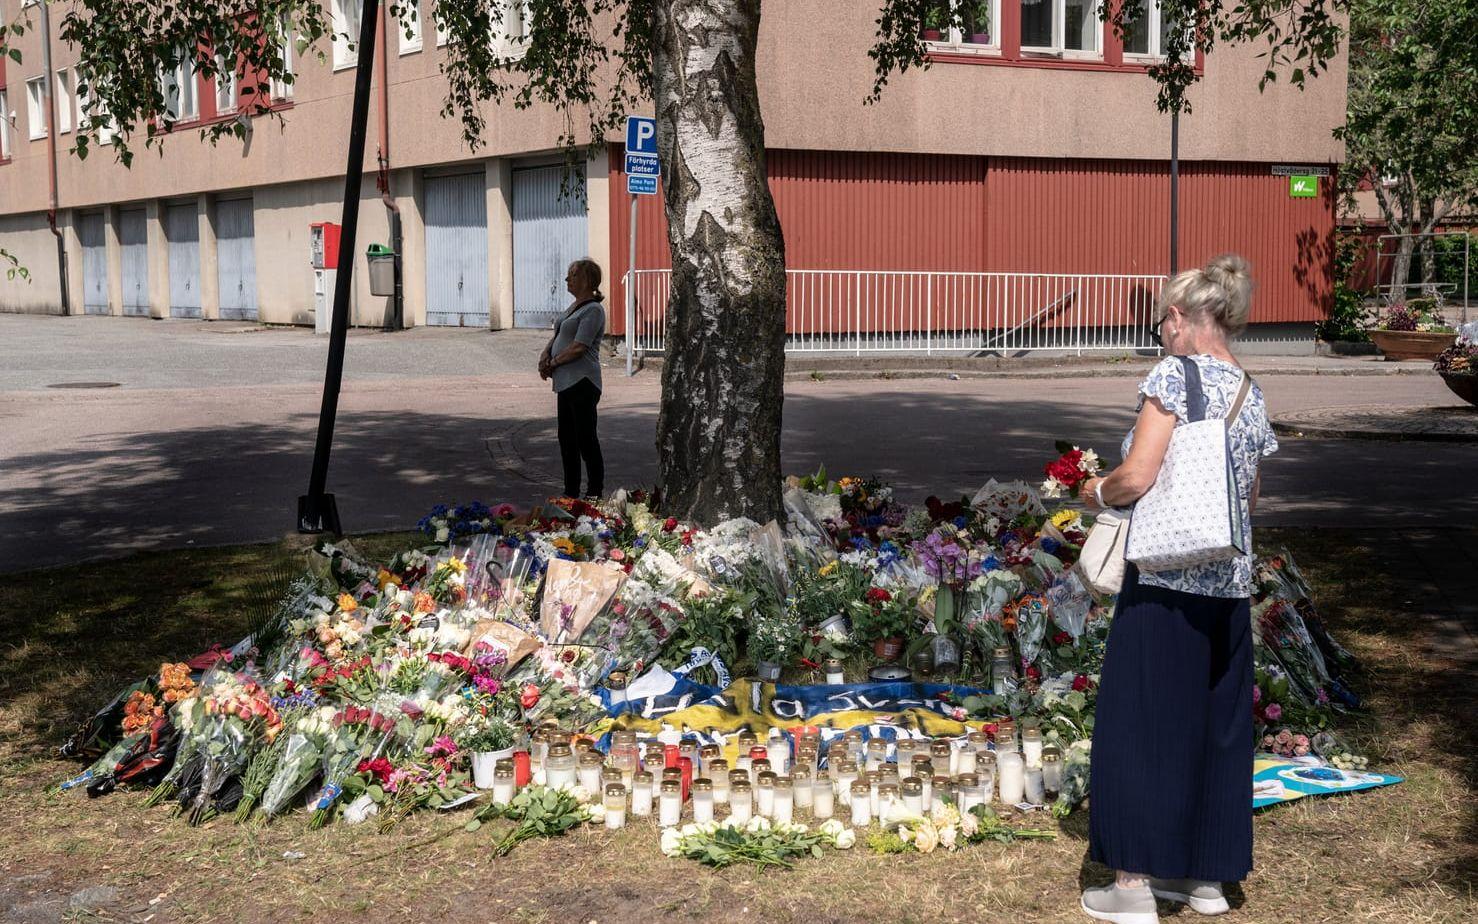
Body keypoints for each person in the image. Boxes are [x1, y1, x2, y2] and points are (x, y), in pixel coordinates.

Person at [1076, 255, 1278, 924]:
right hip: (1228, 584)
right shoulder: (1251, 391)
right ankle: (1205, 880)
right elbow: (1248, 496)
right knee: (1214, 727)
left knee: (1141, 723)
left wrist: (1093, 490)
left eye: (1166, 315)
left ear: (1194, 319)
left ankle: (1132, 884)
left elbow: (1137, 476)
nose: (1161, 328)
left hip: (1165, 579)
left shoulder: (1173, 375)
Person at [538, 258, 606, 499]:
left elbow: (579, 347)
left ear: (587, 280)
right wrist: (545, 355)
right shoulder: (573, 307)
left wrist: (554, 363)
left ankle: (595, 492)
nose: (568, 279)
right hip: (565, 383)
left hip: (583, 382)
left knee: (585, 438)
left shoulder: (593, 310)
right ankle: (571, 492)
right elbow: (558, 334)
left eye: (573, 275)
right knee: (566, 439)